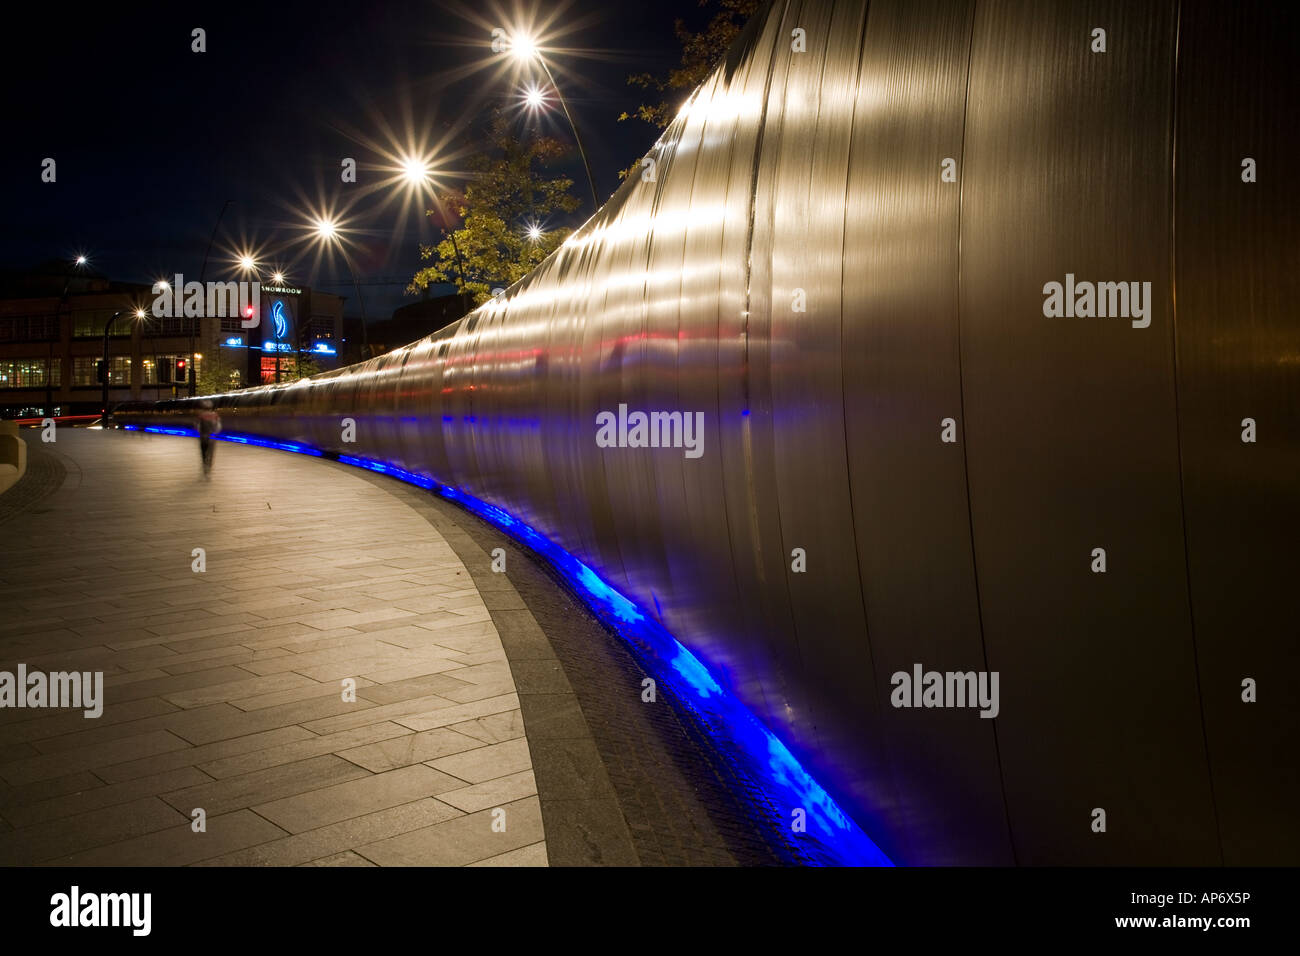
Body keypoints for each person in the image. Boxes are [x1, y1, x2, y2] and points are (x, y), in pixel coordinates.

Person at [196, 400, 221, 476]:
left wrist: (200, 433)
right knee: (210, 453)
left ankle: (204, 467)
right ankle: (209, 468)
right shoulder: (215, 415)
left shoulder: (201, 416)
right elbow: (218, 427)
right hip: (212, 438)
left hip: (203, 438)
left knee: (204, 453)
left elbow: (198, 427)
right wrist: (215, 434)